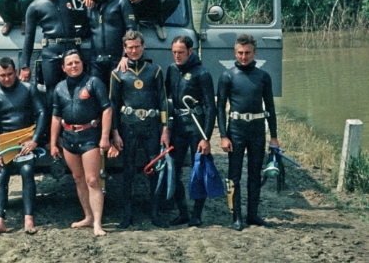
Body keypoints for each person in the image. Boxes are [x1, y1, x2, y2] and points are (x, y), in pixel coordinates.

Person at [217, 34, 279, 231]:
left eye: (247, 53)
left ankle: (253, 214)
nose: (243, 57)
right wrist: (223, 135)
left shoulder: (263, 77)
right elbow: (220, 108)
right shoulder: (227, 76)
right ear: (235, 52)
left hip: (257, 130)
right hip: (236, 130)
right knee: (234, 174)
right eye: (240, 53)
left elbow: (270, 107)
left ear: (254, 53)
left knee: (255, 173)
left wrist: (274, 137)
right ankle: (236, 216)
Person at [110, 30, 170, 228]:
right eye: (130, 47)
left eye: (137, 46)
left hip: (151, 127)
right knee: (128, 170)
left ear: (143, 46)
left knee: (154, 168)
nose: (134, 51)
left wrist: (165, 129)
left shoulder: (155, 71)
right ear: (124, 49)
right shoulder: (118, 73)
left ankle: (155, 212)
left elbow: (163, 101)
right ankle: (127, 214)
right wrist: (115, 132)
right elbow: (113, 105)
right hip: (128, 127)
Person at [50, 50, 112, 236]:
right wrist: (53, 143)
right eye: (69, 64)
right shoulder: (59, 88)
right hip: (69, 138)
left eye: (76, 62)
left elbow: (107, 110)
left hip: (89, 137)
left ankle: (98, 223)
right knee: (78, 178)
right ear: (63, 68)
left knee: (92, 180)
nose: (73, 66)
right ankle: (88, 217)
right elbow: (55, 117)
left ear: (82, 64)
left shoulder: (94, 83)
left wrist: (105, 137)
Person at [0, 57, 47, 235]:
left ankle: (29, 218)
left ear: (16, 72)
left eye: (10, 74)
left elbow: (42, 112)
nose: (7, 78)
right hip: (5, 145)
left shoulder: (28, 89)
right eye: (3, 75)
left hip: (25, 143)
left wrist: (35, 140)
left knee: (27, 171)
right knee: (1, 174)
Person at [165, 36, 216, 227]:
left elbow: (210, 107)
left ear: (190, 51)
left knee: (199, 169)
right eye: (174, 52)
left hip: (196, 126)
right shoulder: (172, 69)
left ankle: (196, 214)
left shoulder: (202, 73)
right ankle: (183, 212)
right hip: (179, 126)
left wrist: (206, 137)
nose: (177, 56)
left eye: (181, 52)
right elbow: (164, 98)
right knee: (174, 170)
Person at [20, 0, 82, 117]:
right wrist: (24, 65)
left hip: (71, 50)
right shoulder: (35, 6)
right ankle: (52, 129)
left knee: (76, 89)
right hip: (51, 51)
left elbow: (85, 17)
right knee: (52, 92)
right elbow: (29, 38)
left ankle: (73, 125)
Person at [84, 0, 137, 87]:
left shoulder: (121, 3)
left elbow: (131, 30)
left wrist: (125, 56)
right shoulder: (89, 5)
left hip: (117, 61)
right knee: (96, 94)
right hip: (96, 62)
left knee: (116, 95)